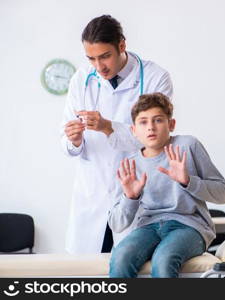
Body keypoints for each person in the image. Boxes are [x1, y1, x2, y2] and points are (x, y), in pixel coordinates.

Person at [61, 15, 173, 254]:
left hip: (139, 197)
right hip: (93, 195)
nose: (99, 67)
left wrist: (107, 126)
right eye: (91, 58)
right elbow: (66, 143)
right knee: (89, 277)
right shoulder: (81, 79)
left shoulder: (155, 78)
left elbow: (156, 138)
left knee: (131, 272)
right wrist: (74, 140)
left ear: (122, 45)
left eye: (105, 56)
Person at [108, 93, 225, 278]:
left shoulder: (188, 146)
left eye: (158, 120)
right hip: (147, 227)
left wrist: (188, 181)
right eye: (143, 122)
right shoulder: (130, 165)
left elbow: (223, 194)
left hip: (189, 227)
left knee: (164, 259)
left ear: (171, 124)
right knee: (120, 257)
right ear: (134, 130)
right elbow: (116, 224)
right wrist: (130, 197)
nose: (150, 127)